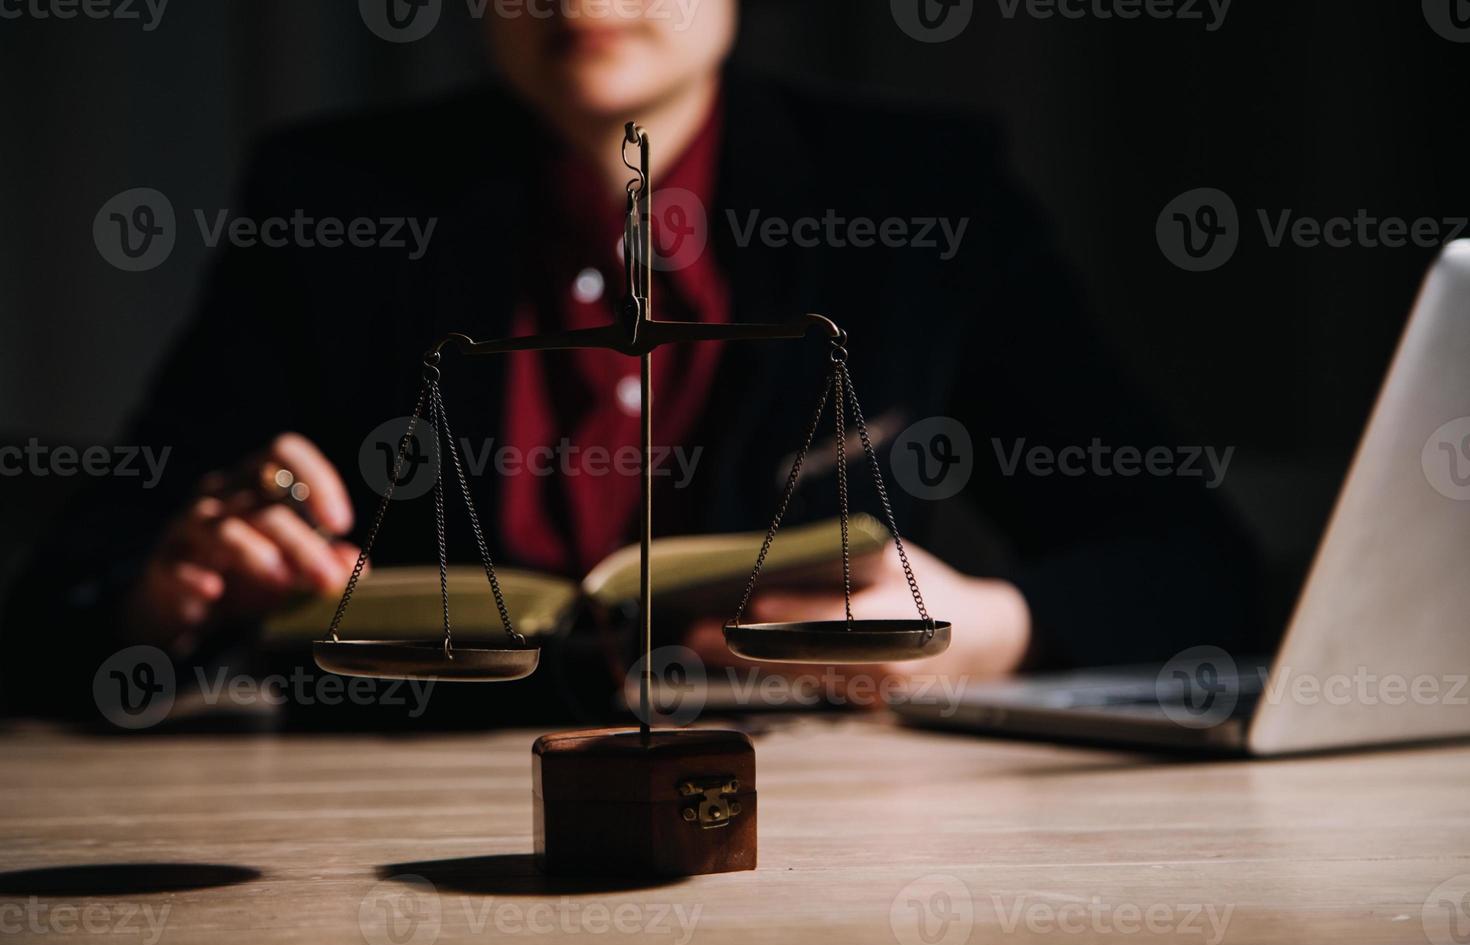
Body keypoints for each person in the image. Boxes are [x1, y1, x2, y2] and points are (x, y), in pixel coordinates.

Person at [1, 0, 1259, 720]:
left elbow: (1202, 573)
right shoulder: (335, 204)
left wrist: (986, 626)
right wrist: (174, 588)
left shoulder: (918, 195)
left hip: (816, 840)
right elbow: (63, 600)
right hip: (390, 831)